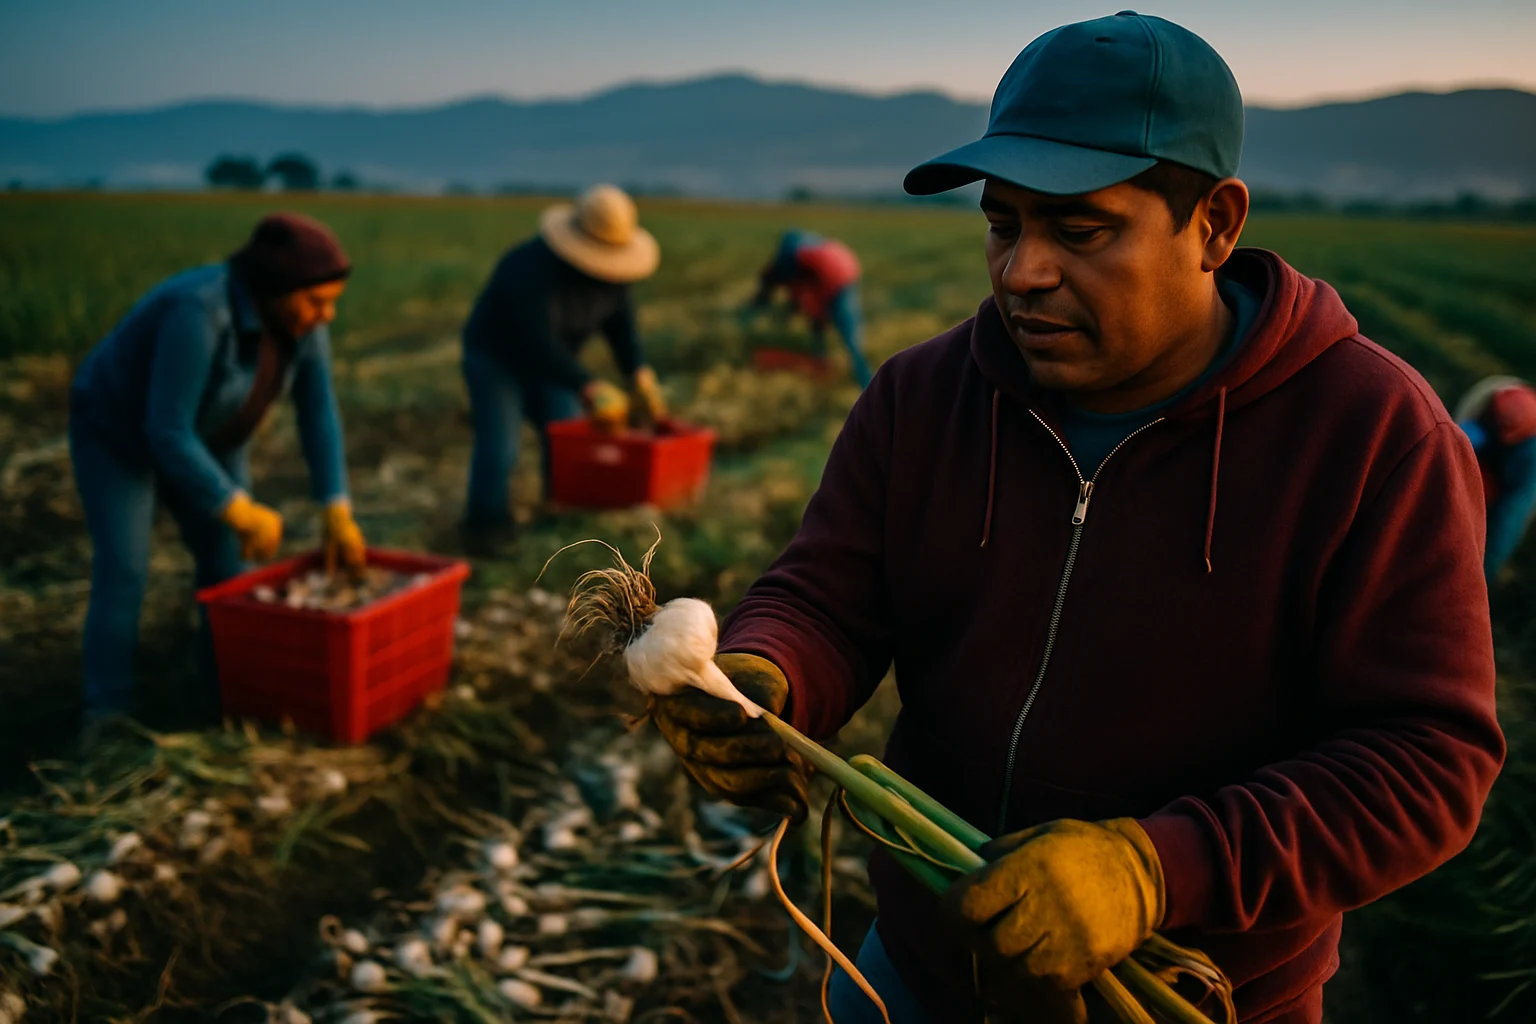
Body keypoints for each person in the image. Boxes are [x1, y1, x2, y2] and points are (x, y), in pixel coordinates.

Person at [646, 13, 1502, 1024]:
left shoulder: (1371, 436)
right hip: (920, 968)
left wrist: (1151, 869)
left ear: (1215, 226)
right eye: (1003, 224)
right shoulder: (924, 397)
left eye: (1079, 230)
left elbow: (1426, 756)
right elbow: (832, 591)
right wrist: (768, 672)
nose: (1021, 271)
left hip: (1192, 997)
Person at [70, 212, 366, 732]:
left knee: (228, 566)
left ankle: (224, 686)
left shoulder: (304, 326)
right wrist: (235, 506)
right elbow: (165, 430)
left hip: (215, 436)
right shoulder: (199, 311)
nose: (328, 315)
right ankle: (107, 713)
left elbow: (318, 412)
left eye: (333, 301)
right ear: (277, 289)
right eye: (317, 301)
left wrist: (336, 506)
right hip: (120, 438)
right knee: (126, 567)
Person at [459, 184, 667, 552]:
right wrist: (589, 385)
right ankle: (485, 530)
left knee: (567, 437)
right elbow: (534, 341)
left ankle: (559, 513)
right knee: (500, 446)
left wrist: (638, 373)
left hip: (555, 363)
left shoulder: (613, 281)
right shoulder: (528, 268)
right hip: (497, 358)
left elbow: (622, 326)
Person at [742, 230, 873, 387]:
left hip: (837, 279)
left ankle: (865, 380)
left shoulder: (791, 260)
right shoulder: (808, 254)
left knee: (847, 333)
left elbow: (782, 283)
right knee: (822, 324)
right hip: (844, 271)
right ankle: (825, 363)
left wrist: (761, 301)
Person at [1456, 375, 1536, 579]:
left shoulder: (1529, 459)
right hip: (1481, 433)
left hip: (1502, 490)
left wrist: (1481, 575)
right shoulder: (1488, 404)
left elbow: (1510, 517)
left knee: (1506, 517)